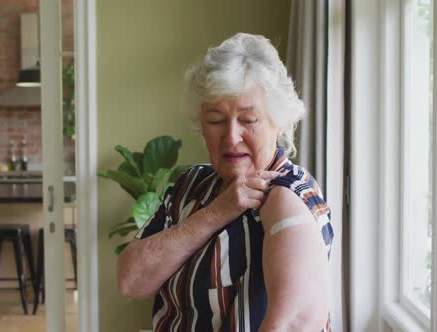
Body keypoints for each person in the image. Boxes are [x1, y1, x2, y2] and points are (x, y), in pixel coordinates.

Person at [117, 32, 334, 332]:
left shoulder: (288, 194)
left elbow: (293, 324)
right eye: (216, 120)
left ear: (278, 121)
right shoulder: (190, 184)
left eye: (248, 119)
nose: (231, 137)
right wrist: (219, 211)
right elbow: (131, 280)